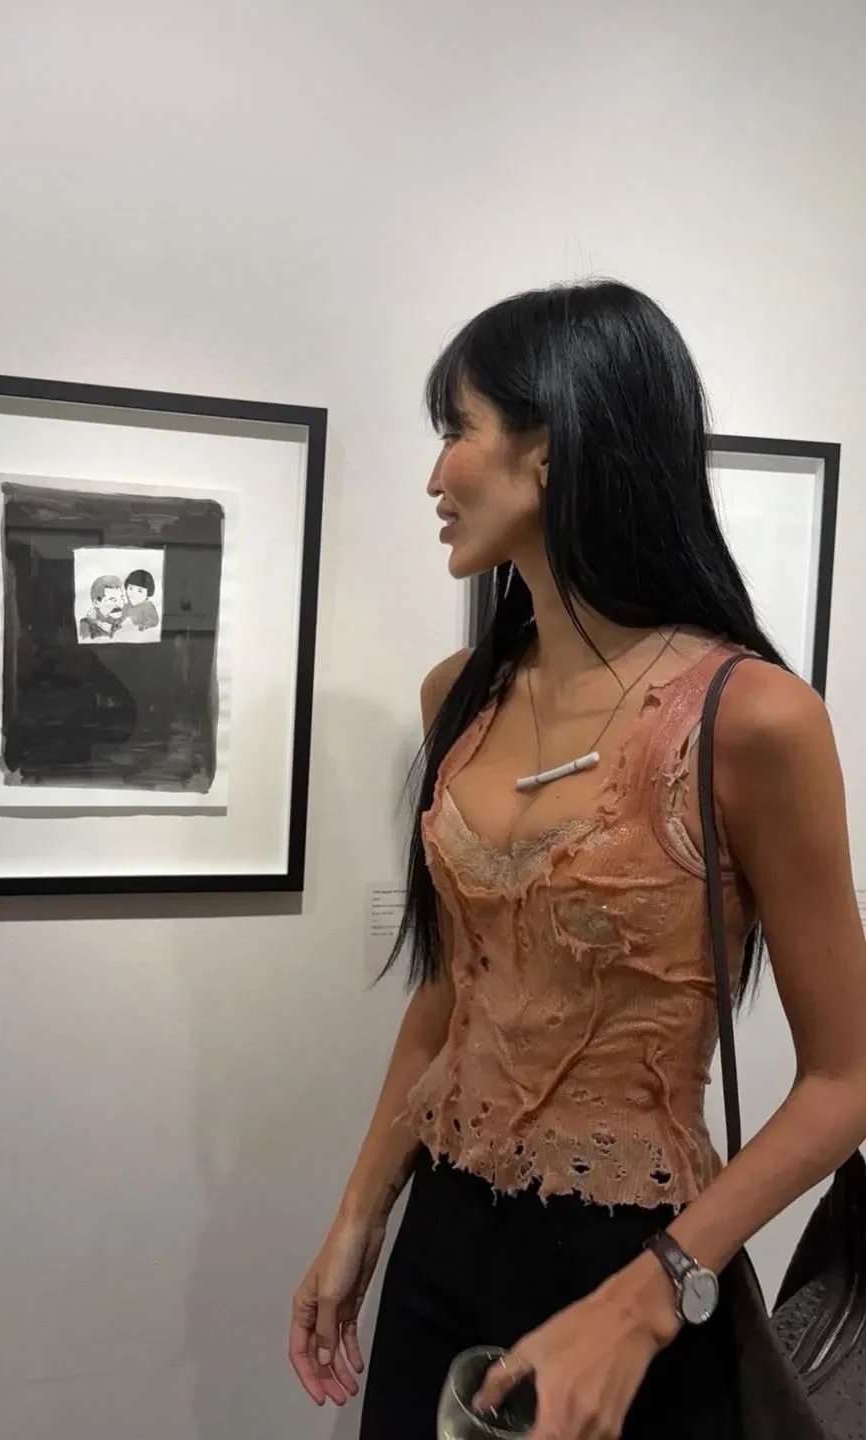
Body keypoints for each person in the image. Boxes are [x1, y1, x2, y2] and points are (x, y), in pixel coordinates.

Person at [289, 281, 866, 1439]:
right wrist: (359, 1213)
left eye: (457, 429)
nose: (436, 476)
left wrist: (657, 1291)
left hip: (635, 1262)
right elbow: (453, 995)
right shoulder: (459, 699)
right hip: (443, 1236)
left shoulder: (750, 719)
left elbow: (845, 1082)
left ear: (549, 450)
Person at [78, 575, 125, 641]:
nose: (119, 604)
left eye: (121, 598)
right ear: (97, 603)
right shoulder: (86, 626)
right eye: (113, 600)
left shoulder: (120, 622)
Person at [120, 568, 160, 633]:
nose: (133, 593)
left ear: (148, 593)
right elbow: (121, 618)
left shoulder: (148, 606)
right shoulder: (127, 606)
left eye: (140, 591)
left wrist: (145, 626)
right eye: (130, 588)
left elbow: (154, 621)